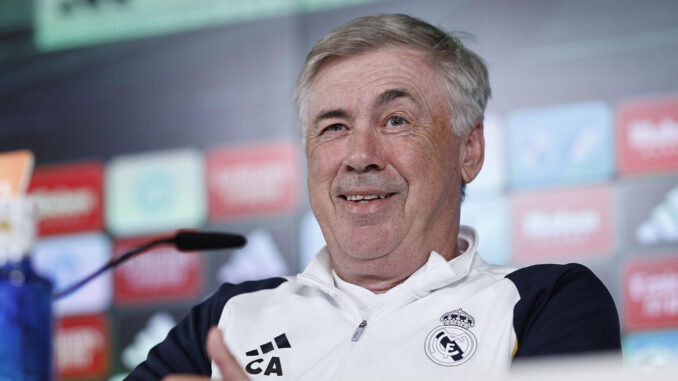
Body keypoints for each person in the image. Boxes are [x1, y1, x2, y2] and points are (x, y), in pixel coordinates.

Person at [126, 14, 620, 380]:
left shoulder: (547, 302)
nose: (359, 155)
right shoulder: (228, 316)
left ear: (469, 149)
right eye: (335, 126)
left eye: (396, 121)